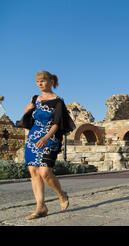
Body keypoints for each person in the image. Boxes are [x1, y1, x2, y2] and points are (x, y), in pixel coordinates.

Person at [22, 70, 75, 220]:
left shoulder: (58, 101)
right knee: (33, 171)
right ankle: (40, 206)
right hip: (33, 137)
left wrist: (46, 137)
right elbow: (28, 116)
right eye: (38, 81)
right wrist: (26, 110)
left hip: (50, 137)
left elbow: (57, 123)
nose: (40, 84)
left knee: (45, 172)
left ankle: (61, 194)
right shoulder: (34, 98)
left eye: (43, 81)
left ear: (51, 82)